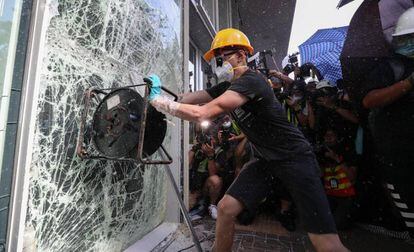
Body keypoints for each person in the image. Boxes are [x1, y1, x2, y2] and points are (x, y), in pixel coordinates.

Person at [148, 28, 349, 252]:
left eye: (224, 55)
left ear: (241, 55)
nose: (219, 62)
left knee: (325, 243)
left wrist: (161, 102)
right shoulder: (227, 87)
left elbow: (201, 112)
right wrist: (156, 95)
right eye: (217, 58)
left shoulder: (252, 82)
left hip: (294, 159)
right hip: (265, 160)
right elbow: (186, 99)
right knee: (225, 208)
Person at [361, 7, 414, 237]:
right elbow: (369, 100)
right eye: (406, 39)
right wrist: (409, 83)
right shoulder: (389, 66)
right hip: (398, 156)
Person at [316, 129, 357, 230]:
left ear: (337, 137)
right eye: (326, 135)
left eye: (332, 135)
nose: (329, 138)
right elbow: (319, 175)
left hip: (345, 197)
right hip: (330, 196)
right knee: (321, 222)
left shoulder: (346, 152)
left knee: (336, 225)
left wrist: (336, 159)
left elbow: (352, 176)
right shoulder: (322, 154)